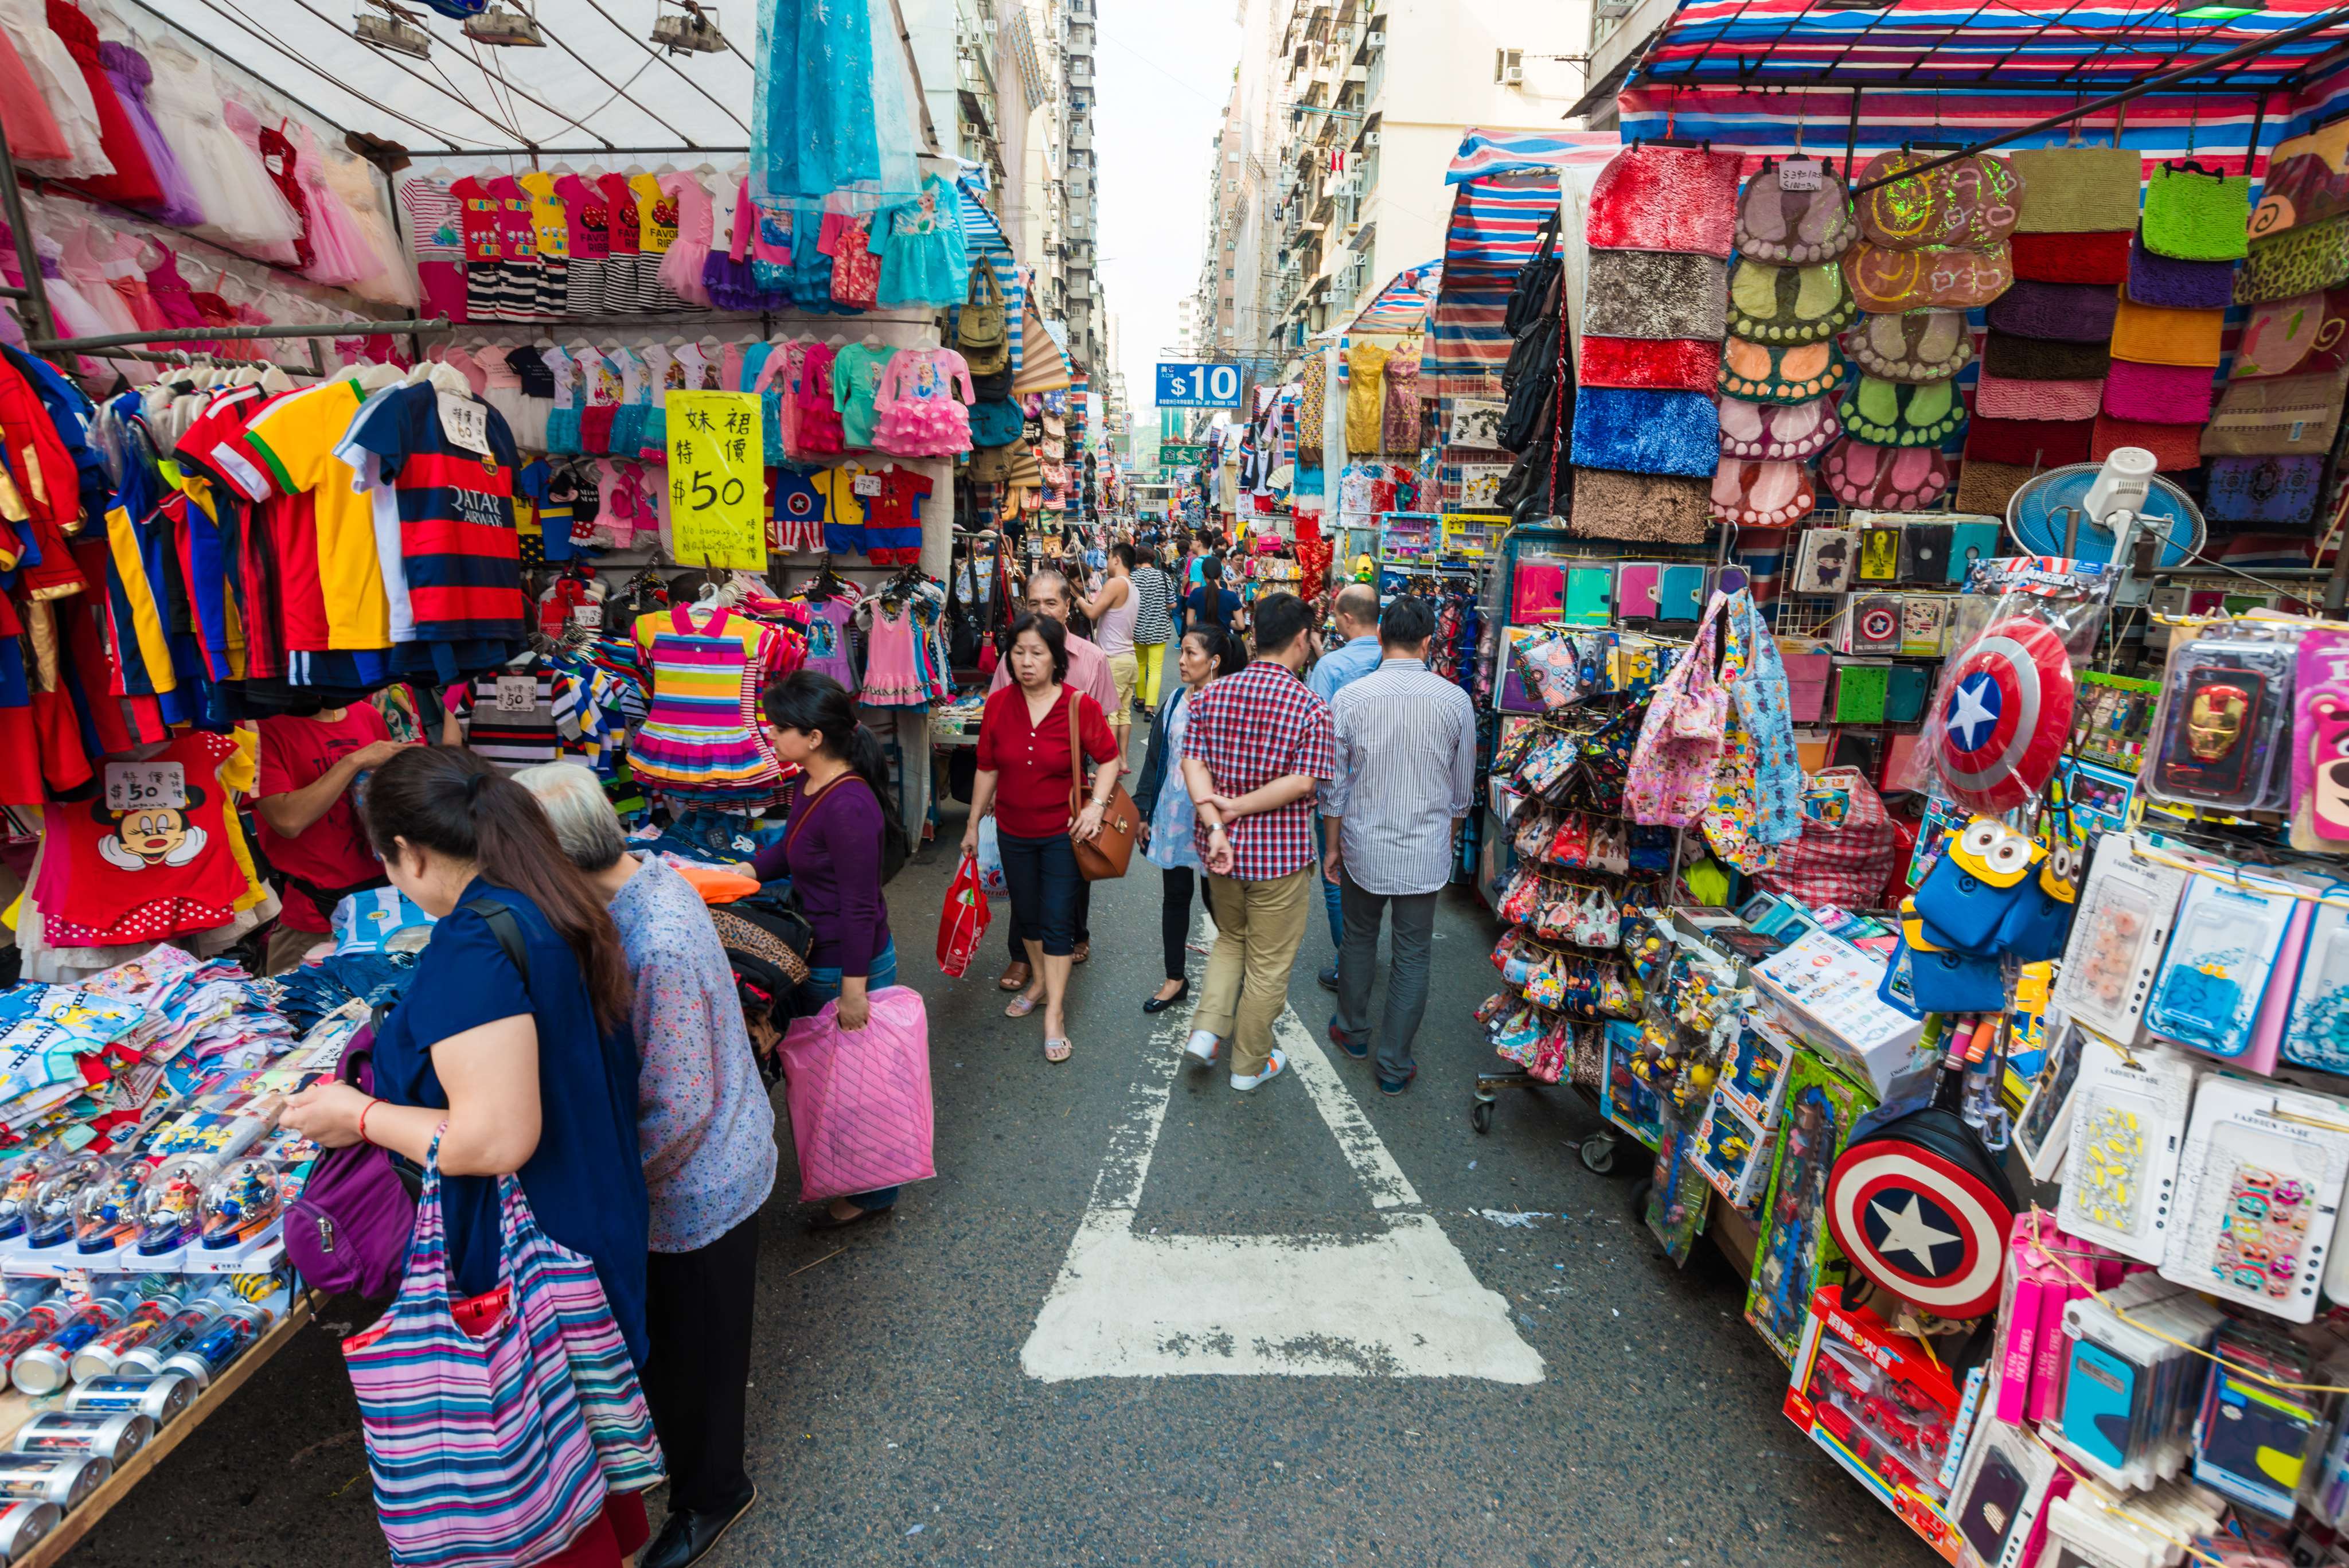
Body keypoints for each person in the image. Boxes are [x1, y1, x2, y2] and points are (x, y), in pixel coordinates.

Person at [280, 746, 651, 1568]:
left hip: (532, 1246)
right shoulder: (549, 899)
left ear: (408, 852)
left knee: (539, 1460)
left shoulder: (471, 949)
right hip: (592, 1207)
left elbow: (493, 1137)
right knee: (580, 1448)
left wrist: (359, 1112)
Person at [514, 762, 774, 1568]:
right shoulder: (640, 884)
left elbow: (679, 1104)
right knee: (686, 1345)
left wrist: (609, 1184)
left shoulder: (650, 935)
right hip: (707, 1162)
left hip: (700, 1185)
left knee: (698, 1355)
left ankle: (712, 1493)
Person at [749, 671, 907, 1224]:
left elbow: (861, 906)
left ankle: (874, 1193)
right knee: (831, 1081)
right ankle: (852, 1174)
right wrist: (735, 874)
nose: (772, 737)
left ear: (814, 738)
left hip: (848, 961)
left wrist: (854, 992)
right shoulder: (808, 785)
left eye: (781, 729)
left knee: (860, 1086)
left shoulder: (851, 806)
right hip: (819, 954)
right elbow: (790, 852)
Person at [1179, 592, 1335, 1092]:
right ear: (1300, 640)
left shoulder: (1210, 697)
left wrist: (1220, 823)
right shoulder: (1311, 707)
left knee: (1230, 939)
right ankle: (1248, 1065)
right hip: (1280, 858)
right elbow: (1305, 783)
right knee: (1268, 965)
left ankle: (1206, 1032)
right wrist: (1241, 806)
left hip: (1220, 850)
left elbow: (1192, 764)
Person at [1322, 596, 1477, 1095]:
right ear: (1430, 642)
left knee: (1359, 937)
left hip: (1363, 844)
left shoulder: (1351, 698)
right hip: (1424, 852)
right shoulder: (1456, 702)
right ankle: (1393, 1065)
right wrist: (1444, 843)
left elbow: (1335, 787)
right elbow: (1462, 795)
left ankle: (1352, 1030)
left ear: (1382, 638)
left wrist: (1331, 846)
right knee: (1412, 955)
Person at [963, 613, 1121, 1063]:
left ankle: (1055, 1013)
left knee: (1056, 922)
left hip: (1061, 834)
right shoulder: (996, 705)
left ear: (1056, 659)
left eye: (1037, 653)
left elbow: (1108, 759)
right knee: (1027, 917)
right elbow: (987, 767)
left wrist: (1095, 807)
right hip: (1013, 830)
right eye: (1018, 653)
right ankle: (1037, 980)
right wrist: (974, 822)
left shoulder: (1078, 706)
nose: (1026, 662)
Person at [988, 570, 1116, 986]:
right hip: (1020, 784)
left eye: (1051, 604)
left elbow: (1106, 726)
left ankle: (1074, 935)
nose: (1041, 611)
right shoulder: (1015, 657)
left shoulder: (1092, 658)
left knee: (1075, 868)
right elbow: (995, 719)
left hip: (1073, 783)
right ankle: (1023, 956)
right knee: (1022, 878)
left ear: (1067, 608)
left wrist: (1098, 795)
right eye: (1033, 603)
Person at [1133, 625, 1246, 1015]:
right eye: (1181, 653)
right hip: (1174, 816)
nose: (1181, 661)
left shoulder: (1231, 705)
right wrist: (1143, 810)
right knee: (1175, 898)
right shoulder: (1176, 699)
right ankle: (1174, 978)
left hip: (1214, 822)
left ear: (1214, 662)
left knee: (1221, 902)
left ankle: (1238, 980)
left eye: (1191, 654)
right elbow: (1155, 758)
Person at [252, 703, 411, 974]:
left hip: (387, 902)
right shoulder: (262, 728)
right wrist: (354, 761)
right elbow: (288, 821)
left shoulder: (367, 714)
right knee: (293, 1009)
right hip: (314, 914)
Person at [1302, 583, 1387, 992]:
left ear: (1347, 619)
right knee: (1374, 879)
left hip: (1338, 791)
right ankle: (1363, 950)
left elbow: (1318, 733)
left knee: (1336, 878)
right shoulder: (1397, 657)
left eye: (1336, 616)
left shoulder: (1331, 668)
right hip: (1388, 789)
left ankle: (1348, 961)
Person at [1075, 542, 1139, 748]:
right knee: (1123, 713)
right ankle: (1121, 761)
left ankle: (1110, 763)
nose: (1107, 562)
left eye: (1109, 558)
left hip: (1114, 659)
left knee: (1109, 712)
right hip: (1128, 658)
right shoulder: (1132, 587)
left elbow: (1093, 613)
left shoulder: (1116, 583)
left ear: (1117, 560)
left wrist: (1079, 601)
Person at [1129, 547, 1177, 712]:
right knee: (1155, 669)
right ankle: (1150, 707)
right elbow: (1172, 603)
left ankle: (1140, 700)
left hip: (1137, 628)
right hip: (1158, 629)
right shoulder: (1163, 577)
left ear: (1137, 560)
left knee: (1140, 665)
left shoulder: (1131, 578)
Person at [1185, 554, 1240, 637]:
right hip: (1223, 641)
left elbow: (1190, 623)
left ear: (1203, 575)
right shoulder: (1231, 596)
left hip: (1202, 640)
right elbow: (1241, 625)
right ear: (1221, 574)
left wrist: (1202, 625)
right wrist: (1226, 621)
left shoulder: (1196, 593)